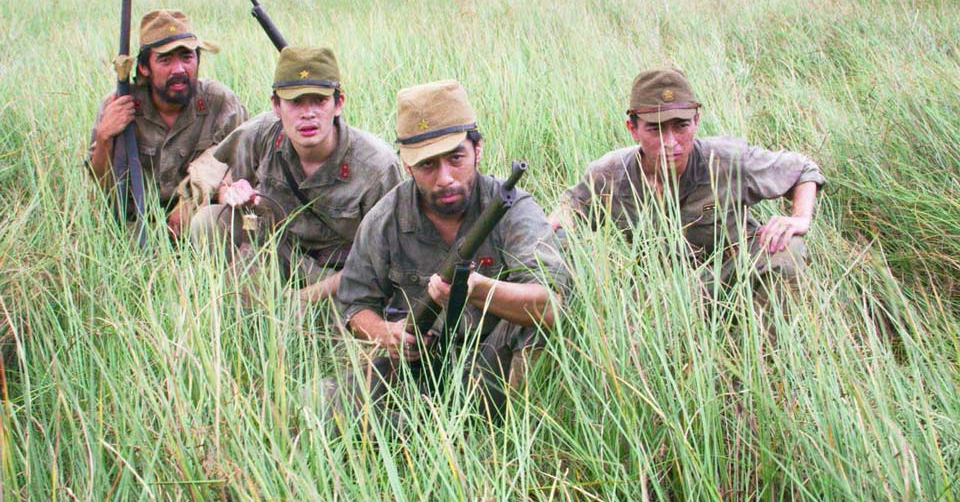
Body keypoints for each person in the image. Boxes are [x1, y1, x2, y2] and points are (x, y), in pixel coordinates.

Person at [331, 79, 567, 424]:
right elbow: (354, 306)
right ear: (407, 165)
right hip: (421, 361)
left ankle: (508, 433)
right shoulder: (385, 218)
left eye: (456, 158)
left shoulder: (513, 209)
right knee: (321, 403)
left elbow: (551, 306)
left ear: (478, 150)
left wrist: (479, 290)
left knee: (533, 330)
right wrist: (387, 334)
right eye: (427, 165)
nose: (445, 178)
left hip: (496, 363)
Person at [549, 68, 826, 289]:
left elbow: (803, 170)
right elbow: (569, 209)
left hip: (732, 275)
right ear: (632, 129)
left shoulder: (728, 159)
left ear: (696, 121)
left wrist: (800, 218)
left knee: (788, 250)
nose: (671, 142)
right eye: (655, 129)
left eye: (681, 126)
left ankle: (769, 352)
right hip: (658, 288)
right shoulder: (608, 173)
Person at [189, 46, 401, 305]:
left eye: (319, 100)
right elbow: (228, 182)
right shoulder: (259, 135)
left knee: (349, 326)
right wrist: (231, 193)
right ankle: (230, 305)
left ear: (339, 104)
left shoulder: (377, 165)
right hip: (278, 252)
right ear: (276, 106)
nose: (308, 113)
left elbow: (385, 261)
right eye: (295, 101)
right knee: (209, 222)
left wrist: (301, 299)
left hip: (342, 275)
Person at [87, 9, 248, 237]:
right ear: (144, 67)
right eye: (165, 59)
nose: (179, 69)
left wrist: (192, 201)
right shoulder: (118, 105)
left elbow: (245, 163)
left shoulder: (219, 102)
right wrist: (105, 136)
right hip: (137, 226)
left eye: (187, 57)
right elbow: (102, 185)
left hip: (199, 223)